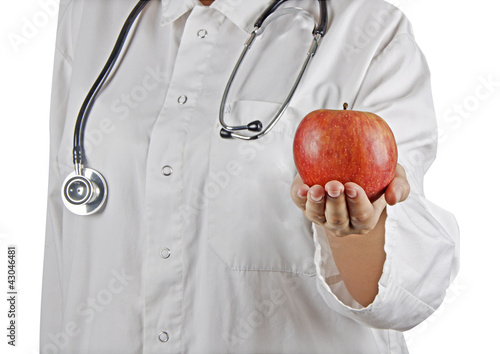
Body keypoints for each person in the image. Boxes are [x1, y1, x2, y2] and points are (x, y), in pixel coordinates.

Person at [40, 0, 459, 353]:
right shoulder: (91, 13)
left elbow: (404, 296)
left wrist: (354, 231)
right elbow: (65, 241)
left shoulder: (369, 31)